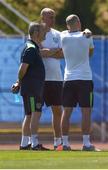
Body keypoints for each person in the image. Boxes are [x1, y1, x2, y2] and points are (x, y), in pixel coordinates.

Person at [11, 22, 49, 150]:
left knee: (29, 115)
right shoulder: (31, 48)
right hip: (33, 88)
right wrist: (18, 81)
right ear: (36, 33)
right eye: (43, 31)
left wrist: (19, 82)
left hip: (32, 87)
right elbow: (22, 69)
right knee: (35, 113)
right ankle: (34, 143)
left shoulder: (32, 47)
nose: (45, 33)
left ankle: (24, 143)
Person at [60, 14, 95, 151]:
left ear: (67, 25)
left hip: (68, 79)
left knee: (66, 112)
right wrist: (86, 31)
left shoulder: (63, 36)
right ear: (79, 22)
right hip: (85, 79)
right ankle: (86, 144)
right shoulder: (86, 35)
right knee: (86, 112)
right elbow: (90, 53)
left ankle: (65, 144)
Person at [40, 8, 64, 150]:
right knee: (35, 112)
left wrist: (48, 52)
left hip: (56, 78)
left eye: (53, 17)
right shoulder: (36, 32)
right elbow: (38, 52)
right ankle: (32, 141)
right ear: (42, 18)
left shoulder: (58, 34)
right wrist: (53, 51)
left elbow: (63, 54)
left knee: (57, 110)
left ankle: (58, 141)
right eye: (49, 17)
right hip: (40, 79)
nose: (52, 19)